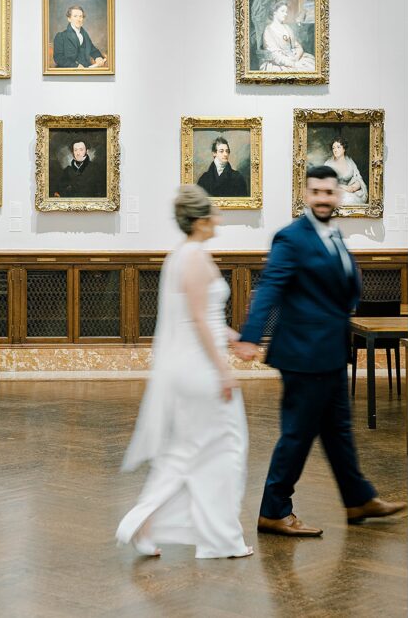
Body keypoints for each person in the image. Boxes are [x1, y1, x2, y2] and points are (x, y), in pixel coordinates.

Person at [233, 165, 406, 536]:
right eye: (316, 193)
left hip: (328, 350)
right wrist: (251, 335)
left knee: (338, 430)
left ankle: (358, 498)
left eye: (329, 193)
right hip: (302, 353)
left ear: (338, 194)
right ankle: (273, 510)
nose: (323, 199)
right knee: (297, 434)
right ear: (306, 194)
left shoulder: (334, 234)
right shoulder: (291, 238)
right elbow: (270, 288)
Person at [116, 185, 253, 559]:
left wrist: (236, 338)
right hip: (200, 371)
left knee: (191, 451)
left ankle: (150, 525)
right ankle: (212, 536)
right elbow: (196, 320)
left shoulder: (183, 255)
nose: (219, 221)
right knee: (222, 448)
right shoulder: (193, 258)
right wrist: (223, 370)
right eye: (214, 215)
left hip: (193, 366)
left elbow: (206, 318)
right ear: (200, 220)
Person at [259, 0, 315, 72]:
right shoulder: (268, 30)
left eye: (286, 12)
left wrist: (297, 57)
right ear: (274, 12)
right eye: (282, 11)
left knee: (312, 67)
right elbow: (275, 55)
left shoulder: (287, 27)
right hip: (279, 64)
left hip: (295, 58)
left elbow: (297, 46)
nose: (285, 14)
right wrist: (292, 64)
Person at [322, 137, 368, 206]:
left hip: (350, 192)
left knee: (351, 198)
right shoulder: (328, 163)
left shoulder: (350, 162)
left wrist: (354, 187)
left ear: (344, 149)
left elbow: (358, 177)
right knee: (347, 198)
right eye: (333, 148)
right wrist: (344, 187)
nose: (335, 150)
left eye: (338, 147)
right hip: (333, 193)